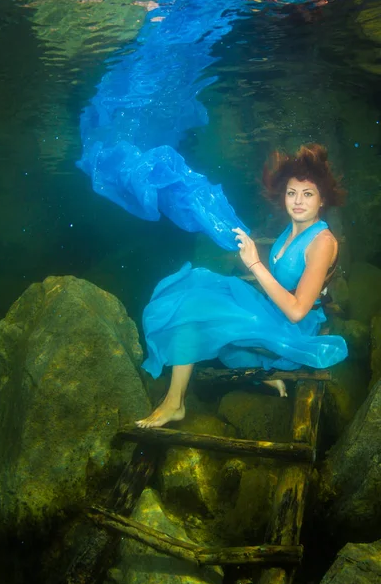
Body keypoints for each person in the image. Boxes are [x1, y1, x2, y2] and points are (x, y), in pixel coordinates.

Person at [136, 144, 347, 428]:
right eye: (291, 193)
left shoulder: (322, 242)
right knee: (195, 289)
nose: (297, 201)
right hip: (270, 307)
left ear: (322, 200)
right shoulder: (294, 227)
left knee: (196, 312)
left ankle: (175, 403)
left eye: (307, 194)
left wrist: (254, 264)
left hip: (292, 326)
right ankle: (191, 395)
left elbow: (297, 311)